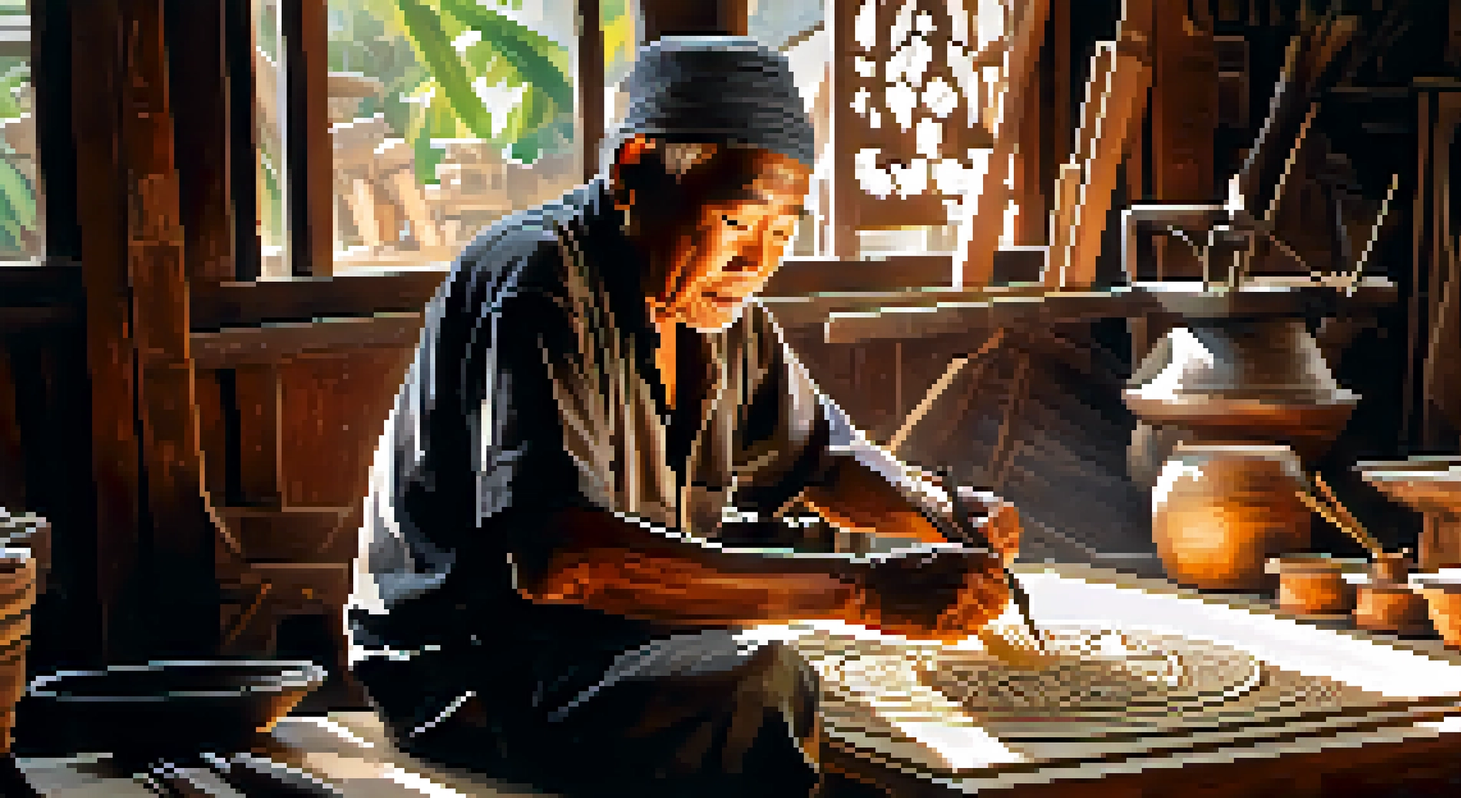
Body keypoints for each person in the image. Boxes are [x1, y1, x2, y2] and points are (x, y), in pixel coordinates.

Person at [346, 36, 1024, 798]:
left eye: (782, 231)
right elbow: (562, 562)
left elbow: (823, 460)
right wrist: (863, 592)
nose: (755, 262)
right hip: (481, 673)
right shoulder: (538, 281)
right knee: (762, 682)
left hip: (613, 644)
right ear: (634, 170)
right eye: (736, 221)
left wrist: (939, 511)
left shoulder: (719, 313)